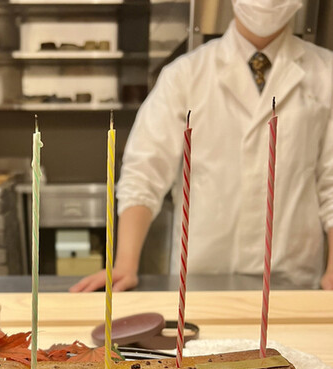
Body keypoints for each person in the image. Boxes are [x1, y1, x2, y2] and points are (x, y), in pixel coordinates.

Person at [70, 0, 333, 292]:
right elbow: (144, 172)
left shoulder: (327, 73)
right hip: (200, 277)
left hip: (293, 279)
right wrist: (125, 264)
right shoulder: (184, 74)